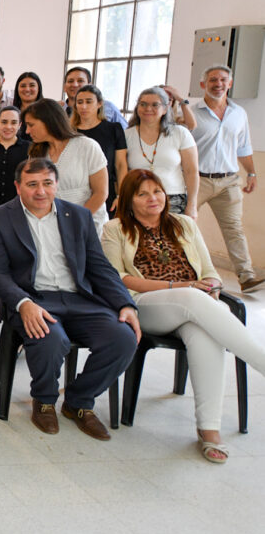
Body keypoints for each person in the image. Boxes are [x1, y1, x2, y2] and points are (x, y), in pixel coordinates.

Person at [102, 169, 265, 462]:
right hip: (147, 306)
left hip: (196, 304)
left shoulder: (185, 224)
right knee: (192, 298)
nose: (153, 198)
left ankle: (209, 430)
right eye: (143, 194)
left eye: (157, 191)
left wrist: (211, 292)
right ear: (129, 200)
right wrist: (183, 286)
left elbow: (210, 274)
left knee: (203, 332)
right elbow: (119, 278)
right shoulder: (115, 229)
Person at [0, 157, 139, 440]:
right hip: (33, 298)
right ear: (18, 187)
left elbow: (99, 266)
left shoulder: (77, 216)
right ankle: (44, 400)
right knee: (51, 338)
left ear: (56, 185)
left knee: (124, 338)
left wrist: (125, 303)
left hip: (79, 298)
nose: (40, 191)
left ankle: (79, 401)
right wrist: (23, 303)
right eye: (32, 185)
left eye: (47, 183)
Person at [188, 64, 264, 291]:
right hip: (196, 180)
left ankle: (246, 277)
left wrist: (251, 172)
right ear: (203, 85)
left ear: (229, 84)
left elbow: (243, 147)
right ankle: (188, 273)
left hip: (229, 180)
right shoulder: (192, 113)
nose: (218, 84)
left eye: (223, 80)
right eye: (213, 80)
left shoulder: (238, 113)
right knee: (183, 226)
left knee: (234, 229)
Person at [23, 99, 109, 233]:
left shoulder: (87, 146)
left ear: (48, 121)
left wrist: (76, 222)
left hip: (89, 225)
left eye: (31, 125)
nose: (27, 131)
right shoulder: (36, 153)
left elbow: (101, 193)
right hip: (53, 229)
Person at [125, 86, 199, 218]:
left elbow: (191, 171)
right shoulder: (126, 135)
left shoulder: (180, 133)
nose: (148, 109)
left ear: (165, 109)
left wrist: (192, 205)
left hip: (173, 199)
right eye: (143, 104)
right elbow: (121, 169)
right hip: (137, 199)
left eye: (155, 105)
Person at [71, 84, 127, 215]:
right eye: (80, 102)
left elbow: (120, 165)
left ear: (99, 104)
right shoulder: (69, 131)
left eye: (89, 102)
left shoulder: (114, 129)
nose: (83, 106)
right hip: (75, 191)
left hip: (106, 192)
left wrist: (121, 196)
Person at [62, 67, 127, 127]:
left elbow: (126, 133)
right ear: (64, 87)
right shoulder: (58, 109)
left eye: (80, 81)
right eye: (70, 81)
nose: (75, 85)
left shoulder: (108, 107)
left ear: (89, 85)